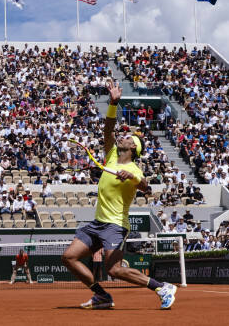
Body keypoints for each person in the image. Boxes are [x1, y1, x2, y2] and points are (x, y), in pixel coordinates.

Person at [61, 81, 177, 310]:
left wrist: (132, 178)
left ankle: (161, 286)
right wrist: (113, 103)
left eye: (128, 138)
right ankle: (101, 295)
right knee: (68, 258)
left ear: (134, 148)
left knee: (114, 270)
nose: (123, 137)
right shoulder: (112, 154)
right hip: (97, 223)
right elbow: (108, 128)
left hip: (115, 225)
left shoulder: (134, 169)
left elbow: (145, 187)